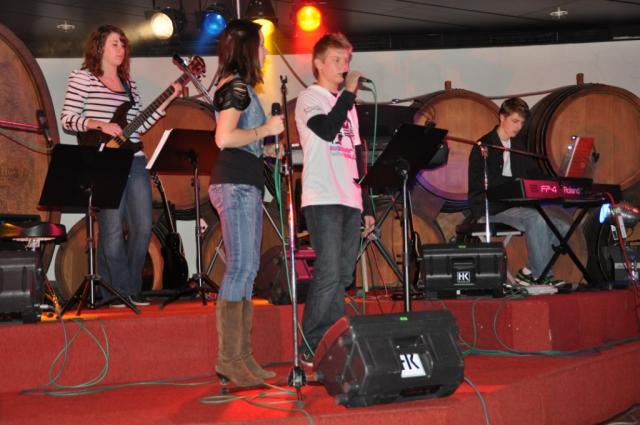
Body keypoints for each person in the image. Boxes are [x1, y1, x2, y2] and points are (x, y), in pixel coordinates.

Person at [60, 25, 181, 307]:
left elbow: (140, 124)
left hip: (134, 159)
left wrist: (169, 98)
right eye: (115, 43)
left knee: (143, 226)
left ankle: (126, 289)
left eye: (123, 44)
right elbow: (68, 119)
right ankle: (122, 292)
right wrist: (100, 124)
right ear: (99, 47)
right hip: (103, 160)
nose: (121, 49)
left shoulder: (129, 84)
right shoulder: (82, 78)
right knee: (112, 230)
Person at [209, 20, 284, 387]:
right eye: (262, 45)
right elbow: (223, 137)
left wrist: (264, 147)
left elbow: (241, 138)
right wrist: (265, 131)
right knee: (240, 267)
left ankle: (242, 356)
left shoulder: (242, 87)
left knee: (248, 268)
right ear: (248, 48)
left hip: (245, 181)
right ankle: (229, 358)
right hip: (235, 184)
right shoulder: (236, 87)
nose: (266, 51)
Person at [295, 33, 375, 366]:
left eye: (347, 60)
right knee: (327, 273)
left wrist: (366, 205)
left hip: (350, 198)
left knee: (343, 275)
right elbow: (327, 130)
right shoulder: (308, 97)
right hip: (323, 196)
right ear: (318, 63)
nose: (344, 66)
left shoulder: (347, 104)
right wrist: (349, 95)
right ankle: (310, 344)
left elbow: (357, 157)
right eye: (337, 60)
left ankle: (335, 341)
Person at [468, 97, 570, 286]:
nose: (518, 127)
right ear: (502, 117)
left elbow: (533, 174)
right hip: (491, 208)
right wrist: (515, 183)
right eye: (515, 121)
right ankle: (542, 277)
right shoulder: (484, 146)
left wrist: (559, 182)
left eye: (522, 123)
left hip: (514, 206)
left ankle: (529, 272)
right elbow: (483, 183)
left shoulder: (518, 145)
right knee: (536, 219)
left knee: (563, 228)